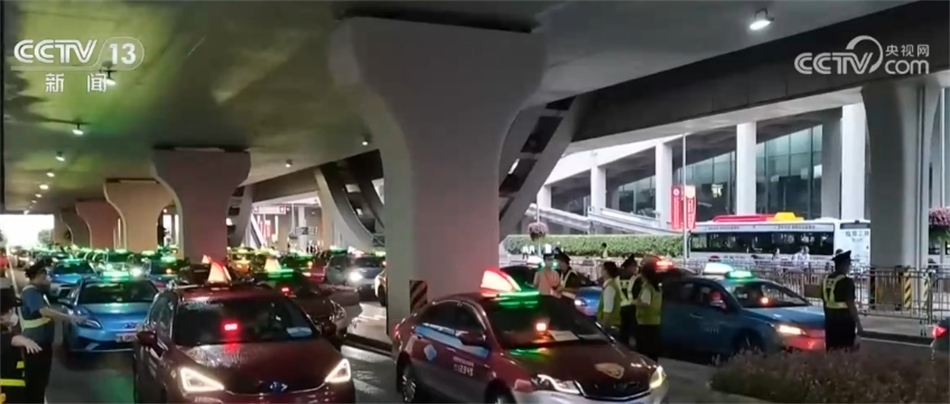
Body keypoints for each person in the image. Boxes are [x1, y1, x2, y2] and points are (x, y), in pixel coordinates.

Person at [20, 261, 84, 403]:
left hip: (41, 342)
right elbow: (44, 311)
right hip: (35, 343)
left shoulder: (38, 292)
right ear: (37, 277)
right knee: (35, 381)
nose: (47, 280)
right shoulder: (31, 292)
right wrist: (69, 318)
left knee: (41, 380)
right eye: (44, 277)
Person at [2, 288, 42, 404]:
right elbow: (9, 340)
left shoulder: (7, 330)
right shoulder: (5, 335)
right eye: (10, 310)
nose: (13, 313)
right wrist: (24, 341)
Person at [822, 250, 863, 351]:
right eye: (849, 264)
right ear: (844, 265)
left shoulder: (826, 280)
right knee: (846, 350)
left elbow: (825, 302)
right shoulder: (846, 281)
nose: (849, 267)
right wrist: (858, 323)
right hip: (844, 322)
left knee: (832, 350)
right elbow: (851, 304)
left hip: (830, 321)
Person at [634, 257, 663, 362]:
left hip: (645, 323)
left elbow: (646, 303)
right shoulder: (657, 288)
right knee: (652, 350)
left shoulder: (648, 288)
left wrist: (635, 303)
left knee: (643, 351)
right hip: (655, 322)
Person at [617, 255, 640, 347]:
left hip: (620, 309)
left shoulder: (616, 279)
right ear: (630, 267)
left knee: (623, 333)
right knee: (633, 333)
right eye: (635, 266)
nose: (636, 268)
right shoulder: (636, 279)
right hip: (633, 309)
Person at [595, 262, 623, 334]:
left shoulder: (609, 287)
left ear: (606, 271)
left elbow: (608, 310)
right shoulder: (612, 284)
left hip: (610, 325)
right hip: (612, 324)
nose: (601, 271)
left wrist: (603, 328)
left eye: (602, 269)